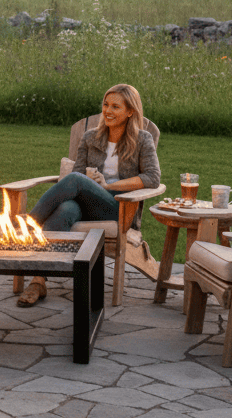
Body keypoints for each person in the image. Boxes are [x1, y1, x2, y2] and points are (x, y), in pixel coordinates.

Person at [16, 83, 160, 307]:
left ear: (130, 111)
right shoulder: (91, 137)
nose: (108, 111)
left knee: (75, 180)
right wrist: (89, 182)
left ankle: (26, 225)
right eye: (105, 104)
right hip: (86, 205)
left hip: (117, 209)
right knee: (65, 209)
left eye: (115, 107)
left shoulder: (143, 139)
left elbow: (152, 178)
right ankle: (38, 281)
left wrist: (109, 185)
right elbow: (77, 175)